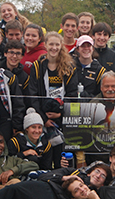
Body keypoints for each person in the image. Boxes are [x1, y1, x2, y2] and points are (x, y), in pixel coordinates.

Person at [28, 32, 78, 168]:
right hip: (43, 118)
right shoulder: (37, 66)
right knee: (47, 155)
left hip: (62, 117)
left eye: (57, 44)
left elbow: (73, 94)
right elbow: (33, 95)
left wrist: (61, 113)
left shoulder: (69, 67)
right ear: (45, 45)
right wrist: (43, 118)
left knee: (63, 155)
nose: (54, 48)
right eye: (51, 44)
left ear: (61, 45)